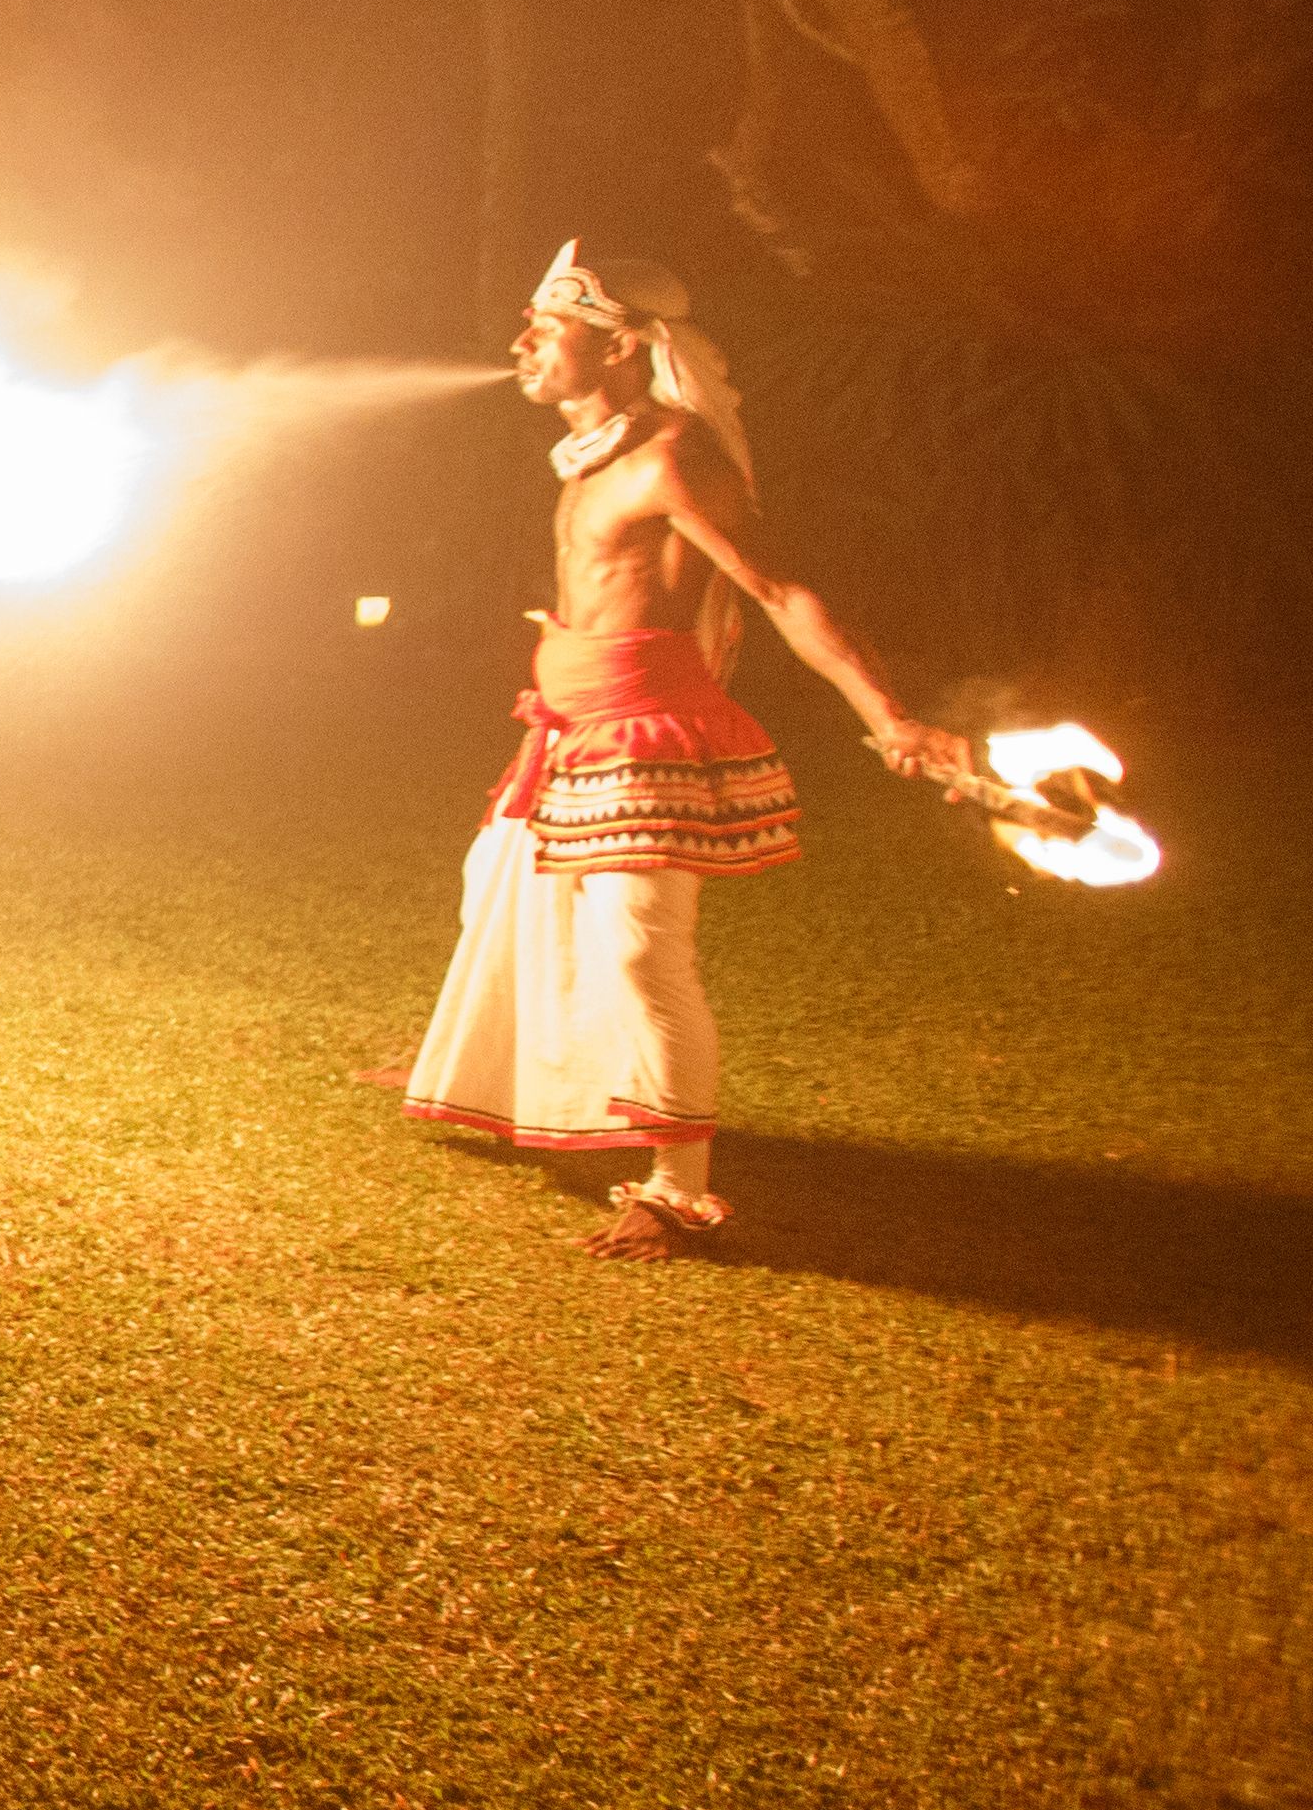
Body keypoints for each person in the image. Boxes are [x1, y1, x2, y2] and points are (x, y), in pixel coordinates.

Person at [398, 245, 968, 1259]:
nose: (522, 342)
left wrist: (889, 718)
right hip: (569, 726)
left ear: (617, 345)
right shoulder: (590, 455)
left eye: (549, 325)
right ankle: (486, 1071)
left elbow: (783, 591)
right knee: (492, 876)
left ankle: (676, 1189)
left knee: (640, 952)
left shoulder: (671, 456)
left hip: (646, 736)